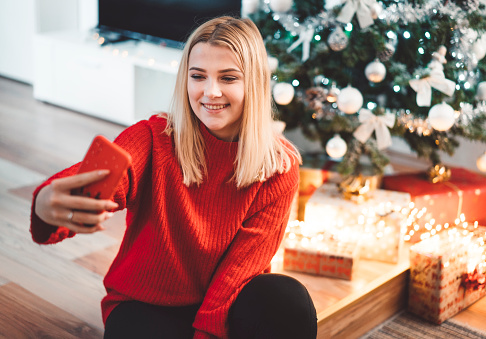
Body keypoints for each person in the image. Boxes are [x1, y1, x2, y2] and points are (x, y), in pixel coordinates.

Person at [30, 16, 317, 339]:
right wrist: (45, 203)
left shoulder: (279, 166)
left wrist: (205, 334)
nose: (210, 92)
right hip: (146, 304)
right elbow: (93, 183)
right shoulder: (153, 138)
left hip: (229, 301)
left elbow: (237, 273)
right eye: (198, 76)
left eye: (228, 78)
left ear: (253, 83)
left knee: (288, 299)